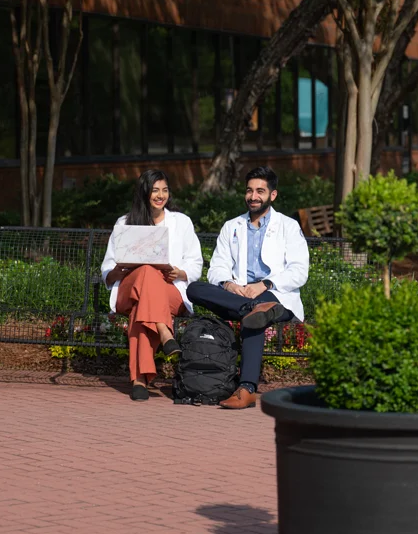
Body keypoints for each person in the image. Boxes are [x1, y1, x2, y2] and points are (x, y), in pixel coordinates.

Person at [187, 166, 309, 410]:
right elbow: (217, 268)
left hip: (277, 297)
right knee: (194, 288)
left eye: (260, 191)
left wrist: (264, 284)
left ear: (272, 195)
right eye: (249, 190)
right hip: (241, 297)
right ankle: (255, 308)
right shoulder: (232, 226)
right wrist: (229, 285)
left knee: (255, 318)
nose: (253, 196)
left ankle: (247, 389)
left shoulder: (288, 227)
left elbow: (299, 271)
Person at [101, 170, 203, 401]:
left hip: (170, 290)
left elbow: (195, 261)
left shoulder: (181, 222)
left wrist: (181, 272)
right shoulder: (125, 222)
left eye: (165, 190)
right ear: (144, 192)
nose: (160, 195)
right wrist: (118, 270)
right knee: (146, 271)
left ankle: (139, 380)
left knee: (142, 308)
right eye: (155, 190)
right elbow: (107, 269)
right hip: (129, 289)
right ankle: (164, 330)